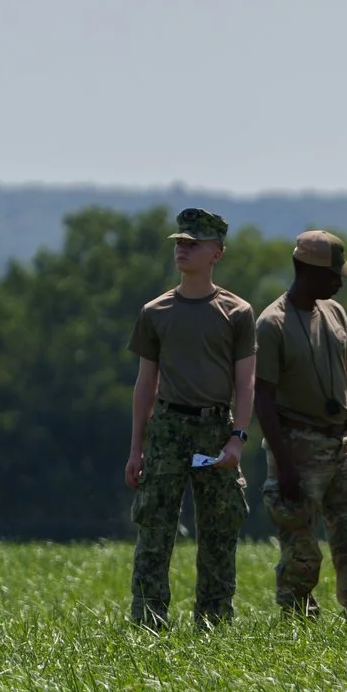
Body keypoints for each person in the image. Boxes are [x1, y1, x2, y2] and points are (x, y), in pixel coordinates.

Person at [125, 207, 257, 631]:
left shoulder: (237, 312)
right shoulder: (155, 311)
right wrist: (136, 449)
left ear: (216, 252)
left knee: (219, 530)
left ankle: (214, 622)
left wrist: (237, 438)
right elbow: (145, 384)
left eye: (193, 243)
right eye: (179, 243)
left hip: (215, 426)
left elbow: (246, 382)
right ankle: (149, 621)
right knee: (154, 527)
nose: (183, 250)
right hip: (167, 428)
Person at [254, 229, 347, 620]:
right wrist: (285, 464)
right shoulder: (272, 323)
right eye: (333, 274)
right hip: (297, 444)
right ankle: (297, 624)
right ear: (306, 270)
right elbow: (263, 399)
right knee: (302, 552)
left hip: (341, 444)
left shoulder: (335, 313)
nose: (339, 282)